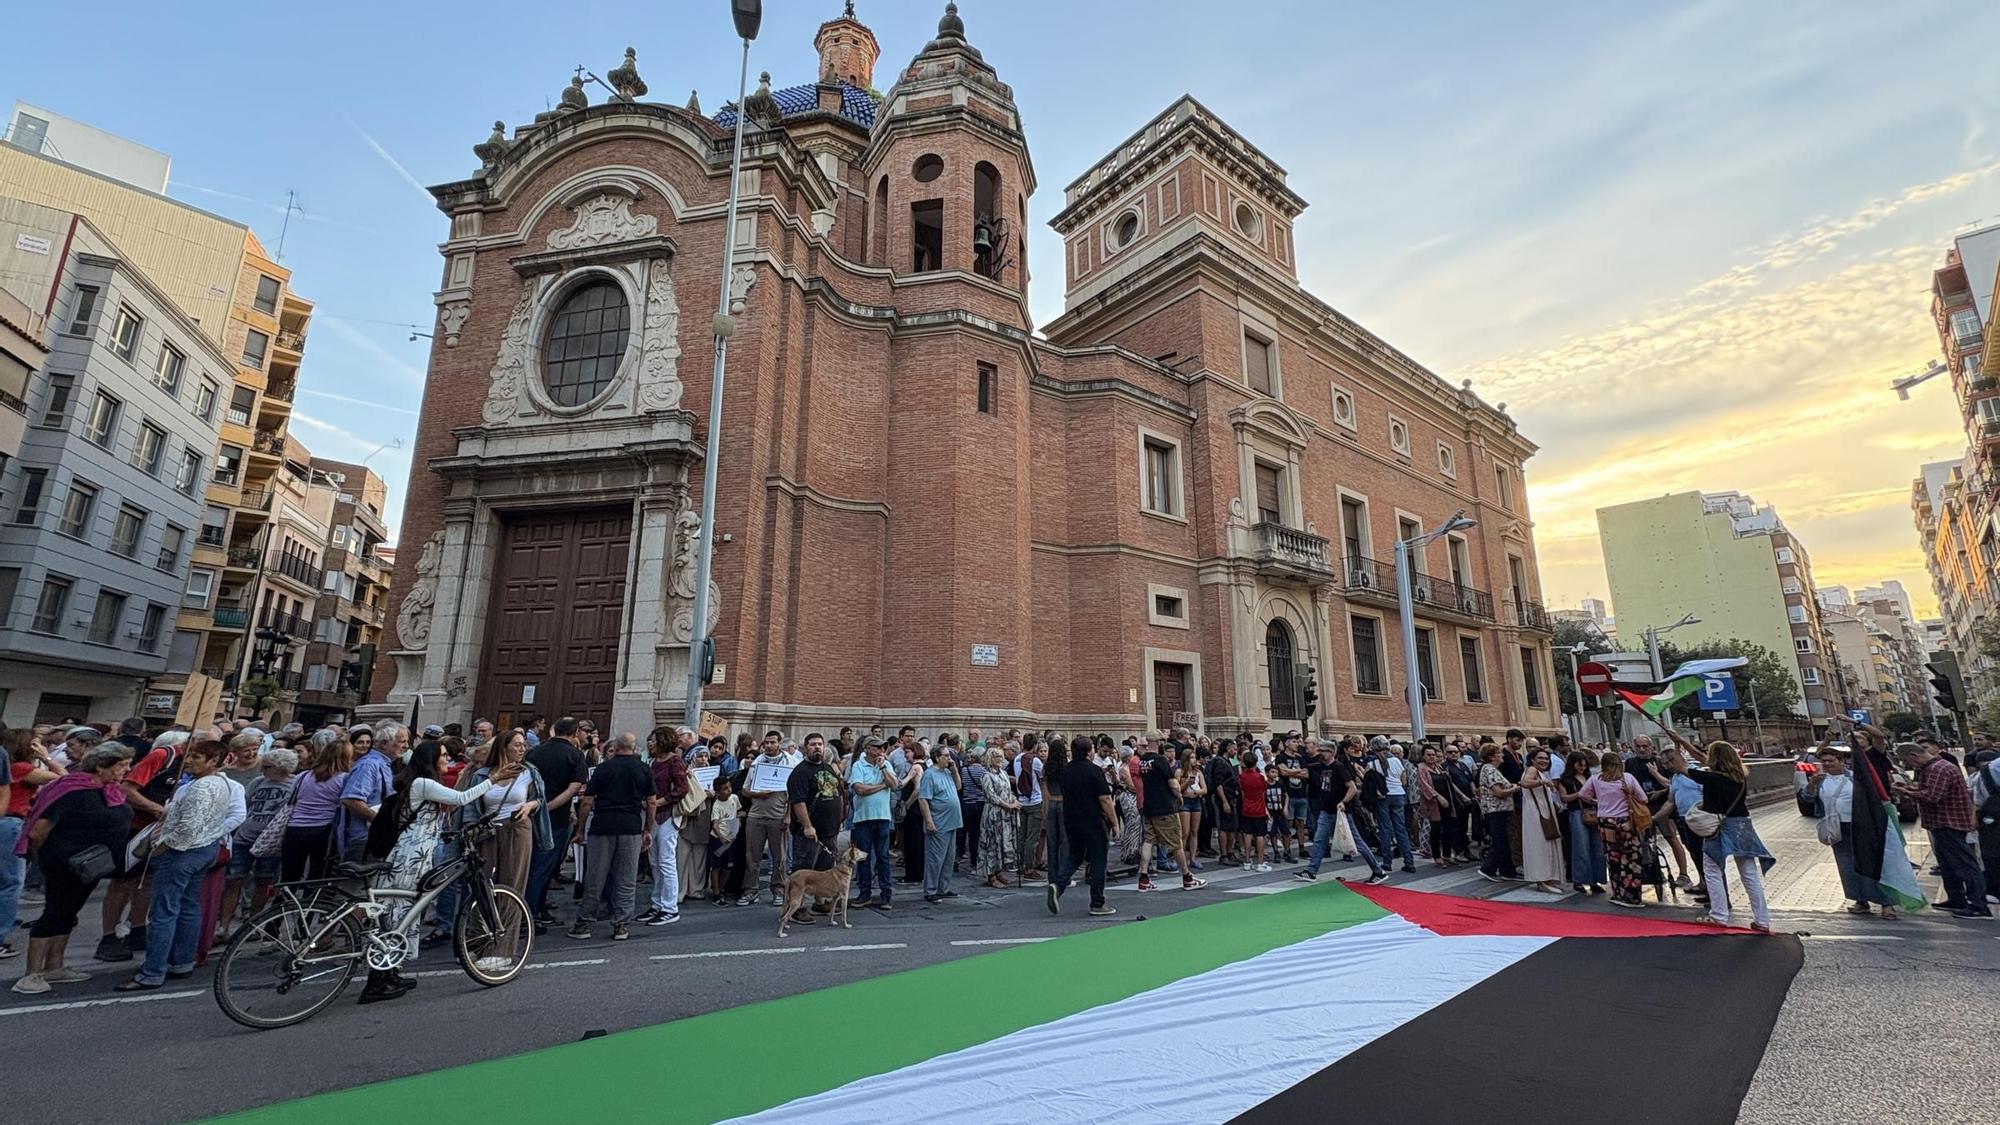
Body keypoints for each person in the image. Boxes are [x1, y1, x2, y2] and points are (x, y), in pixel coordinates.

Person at [12, 745, 134, 994]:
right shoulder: (71, 789)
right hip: (65, 862)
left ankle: (55, 966)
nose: (127, 769)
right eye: (121, 765)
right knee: (54, 913)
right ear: (101, 766)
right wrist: (43, 858)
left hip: (92, 864)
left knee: (69, 913)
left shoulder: (109, 791)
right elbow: (39, 831)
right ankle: (31, 974)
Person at [118, 740, 231, 991]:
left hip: (184, 853)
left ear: (213, 762)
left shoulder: (202, 787)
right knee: (188, 905)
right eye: (189, 755)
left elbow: (187, 829)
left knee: (163, 912)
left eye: (197, 757)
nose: (189, 760)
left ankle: (153, 971)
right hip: (204, 849)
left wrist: (162, 847)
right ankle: (181, 961)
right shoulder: (219, 783)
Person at [567, 732, 655, 941]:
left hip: (603, 825)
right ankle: (621, 925)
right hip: (631, 827)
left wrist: (580, 830)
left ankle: (584, 924)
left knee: (595, 877)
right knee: (626, 878)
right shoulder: (643, 769)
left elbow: (587, 801)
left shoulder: (603, 768)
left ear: (616, 747)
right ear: (634, 748)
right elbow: (651, 802)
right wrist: (647, 829)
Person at [1686, 741, 1776, 931]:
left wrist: (1678, 746)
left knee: (1712, 869)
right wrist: (1680, 740)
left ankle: (1719, 914)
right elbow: (1700, 759)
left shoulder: (1711, 778)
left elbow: (1680, 766)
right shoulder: (1739, 778)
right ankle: (1762, 919)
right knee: (1749, 873)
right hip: (1742, 824)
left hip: (1720, 826)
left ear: (1714, 759)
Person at [1894, 741, 1990, 918]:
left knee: (1964, 863)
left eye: (1907, 761)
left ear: (1914, 756)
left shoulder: (1938, 768)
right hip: (1940, 822)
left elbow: (1933, 796)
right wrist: (1911, 788)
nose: (1908, 766)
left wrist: (1908, 793)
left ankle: (1978, 904)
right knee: (1948, 863)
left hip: (1949, 822)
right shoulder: (1933, 768)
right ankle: (1956, 898)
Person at [218, 747, 296, 940]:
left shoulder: (295, 784)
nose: (262, 770)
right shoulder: (258, 782)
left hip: (271, 840)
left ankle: (253, 923)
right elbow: (246, 804)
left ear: (282, 767)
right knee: (233, 879)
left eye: (267, 766)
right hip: (245, 836)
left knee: (263, 881)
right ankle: (223, 926)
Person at [1806, 746, 1893, 917]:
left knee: (1872, 864)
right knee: (1847, 866)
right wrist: (1812, 784)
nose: (1827, 764)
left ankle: (1886, 902)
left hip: (1861, 826)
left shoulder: (1855, 779)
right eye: (1824, 761)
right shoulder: (1821, 780)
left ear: (1842, 761)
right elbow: (1807, 799)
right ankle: (1860, 900)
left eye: (1831, 760)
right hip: (1837, 828)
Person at [3, 729, 63, 960]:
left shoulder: (10, 766)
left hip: (8, 820)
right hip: (12, 822)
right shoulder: (22, 769)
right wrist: (47, 757)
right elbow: (64, 778)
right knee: (11, 883)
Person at [524, 718, 589, 923]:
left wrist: (536, 806)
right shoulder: (575, 755)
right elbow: (573, 788)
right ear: (575, 732)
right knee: (544, 866)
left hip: (530, 814)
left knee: (532, 864)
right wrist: (548, 807)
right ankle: (531, 913)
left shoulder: (534, 751)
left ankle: (535, 907)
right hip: (555, 818)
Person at [471, 730, 548, 904]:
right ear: (503, 748)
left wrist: (530, 805)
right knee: (485, 881)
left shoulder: (529, 772)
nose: (522, 749)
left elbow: (540, 799)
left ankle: (509, 930)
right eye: (517, 745)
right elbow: (470, 803)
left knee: (513, 883)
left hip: (517, 828)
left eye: (524, 745)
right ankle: (480, 927)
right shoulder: (482, 775)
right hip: (488, 831)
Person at [1296, 740, 1387, 884]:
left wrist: (1343, 802)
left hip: (1341, 811)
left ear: (1331, 752)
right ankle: (1311, 871)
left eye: (1322, 751)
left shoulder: (1339, 767)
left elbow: (1352, 787)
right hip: (1326, 809)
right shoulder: (1319, 767)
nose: (1319, 753)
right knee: (1319, 840)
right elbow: (1304, 772)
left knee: (1358, 842)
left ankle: (1378, 871)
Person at [1050, 736, 1118, 917]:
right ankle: (1097, 902)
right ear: (1090, 751)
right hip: (1093, 820)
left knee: (1074, 856)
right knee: (1099, 859)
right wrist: (1115, 823)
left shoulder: (1066, 771)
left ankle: (1058, 885)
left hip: (1071, 819)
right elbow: (1105, 799)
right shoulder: (1094, 771)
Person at [784, 733, 844, 927]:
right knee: (804, 871)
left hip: (830, 830)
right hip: (808, 833)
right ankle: (797, 909)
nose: (817, 747)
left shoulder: (828, 768)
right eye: (812, 745)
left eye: (819, 744)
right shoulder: (800, 772)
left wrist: (839, 819)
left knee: (824, 870)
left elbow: (837, 793)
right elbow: (798, 802)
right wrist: (808, 826)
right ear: (805, 748)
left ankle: (819, 902)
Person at [1577, 752, 1648, 908]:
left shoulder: (1596, 779)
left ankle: (1617, 893)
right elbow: (1643, 798)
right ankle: (1632, 896)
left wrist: (1597, 800)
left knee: (1613, 857)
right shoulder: (1627, 778)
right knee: (1631, 858)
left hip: (1605, 821)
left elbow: (1582, 795)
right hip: (1626, 821)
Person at [280, 737, 353, 883]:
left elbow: (293, 799)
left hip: (295, 827)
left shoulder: (303, 776)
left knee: (289, 875)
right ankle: (310, 903)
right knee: (317, 875)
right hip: (322, 829)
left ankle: (284, 902)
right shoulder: (344, 779)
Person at [1137, 738, 1205, 892]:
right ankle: (1187, 877)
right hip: (1164, 807)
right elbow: (1172, 783)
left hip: (1149, 806)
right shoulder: (1160, 760)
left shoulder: (1143, 761)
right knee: (1176, 843)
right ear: (1157, 742)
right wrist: (1179, 796)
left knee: (1148, 841)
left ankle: (1143, 878)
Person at [738, 731, 793, 908]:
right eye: (766, 742)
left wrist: (787, 816)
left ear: (779, 744)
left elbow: (793, 796)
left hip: (778, 816)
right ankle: (751, 890)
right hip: (756, 815)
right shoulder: (756, 763)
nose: (768, 745)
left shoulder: (790, 763)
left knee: (779, 857)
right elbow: (745, 790)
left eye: (772, 742)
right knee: (752, 856)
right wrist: (758, 794)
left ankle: (778, 889)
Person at [641, 728, 689, 926]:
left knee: (666, 861)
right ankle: (657, 903)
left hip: (667, 816)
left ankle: (670, 907)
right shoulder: (652, 762)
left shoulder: (674, 762)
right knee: (654, 862)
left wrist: (659, 802)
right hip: (652, 816)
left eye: (652, 740)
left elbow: (681, 789)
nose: (649, 743)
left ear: (662, 740)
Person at [337, 723, 402, 863]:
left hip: (373, 837)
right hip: (362, 839)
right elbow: (351, 799)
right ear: (384, 744)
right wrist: (380, 822)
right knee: (355, 883)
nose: (406, 746)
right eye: (401, 741)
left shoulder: (383, 764)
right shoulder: (369, 765)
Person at [849, 739, 899, 907]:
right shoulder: (858, 766)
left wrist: (884, 768)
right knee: (863, 857)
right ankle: (865, 892)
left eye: (882, 748)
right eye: (877, 747)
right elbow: (859, 790)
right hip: (863, 818)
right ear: (868, 749)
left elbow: (893, 785)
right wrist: (880, 786)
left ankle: (886, 894)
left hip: (883, 817)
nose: (880, 750)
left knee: (883, 856)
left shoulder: (886, 764)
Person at [1554, 749, 1606, 894]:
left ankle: (1596, 879)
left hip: (1592, 811)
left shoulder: (1591, 777)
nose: (1582, 768)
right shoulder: (1565, 780)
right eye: (1579, 765)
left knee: (1597, 848)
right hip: (1576, 812)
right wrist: (1580, 794)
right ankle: (1579, 880)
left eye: (1584, 765)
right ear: (1573, 765)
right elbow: (1563, 798)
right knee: (1581, 847)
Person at [1517, 747, 1566, 893]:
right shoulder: (1532, 770)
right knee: (1540, 845)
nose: (1544, 761)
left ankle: (1547, 878)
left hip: (1543, 810)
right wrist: (1544, 783)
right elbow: (1525, 783)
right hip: (1536, 813)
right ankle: (1542, 880)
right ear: (1532, 759)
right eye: (1540, 758)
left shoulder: (1539, 773)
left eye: (1546, 758)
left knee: (1546, 844)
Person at [918, 745, 962, 903]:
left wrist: (955, 770)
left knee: (949, 858)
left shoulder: (947, 772)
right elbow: (923, 799)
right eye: (946, 755)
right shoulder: (930, 775)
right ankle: (930, 889)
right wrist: (929, 821)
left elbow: (958, 787)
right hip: (939, 821)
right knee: (935, 858)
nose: (949, 758)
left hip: (952, 821)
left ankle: (943, 888)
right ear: (937, 757)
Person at [1371, 738, 1419, 873]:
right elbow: (1403, 780)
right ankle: (1409, 862)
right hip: (1398, 794)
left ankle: (1387, 862)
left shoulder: (1373, 763)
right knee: (1400, 828)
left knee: (1385, 829)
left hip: (1383, 796)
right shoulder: (1396, 761)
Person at [977, 747, 1021, 888]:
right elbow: (991, 796)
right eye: (996, 757)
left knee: (1003, 842)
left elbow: (1008, 791)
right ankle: (991, 875)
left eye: (1001, 757)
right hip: (994, 813)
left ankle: (999, 870)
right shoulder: (986, 775)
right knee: (992, 843)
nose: (1000, 759)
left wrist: (1014, 801)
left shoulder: (1003, 773)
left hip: (1006, 814)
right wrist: (1007, 805)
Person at [1476, 744, 1521, 881]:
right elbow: (1498, 792)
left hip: (1501, 810)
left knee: (1505, 841)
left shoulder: (1493, 770)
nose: (1502, 756)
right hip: (1495, 810)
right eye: (1499, 753)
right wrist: (1514, 788)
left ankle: (1507, 871)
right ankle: (1488, 869)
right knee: (1499, 841)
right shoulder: (1489, 770)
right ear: (1492, 756)